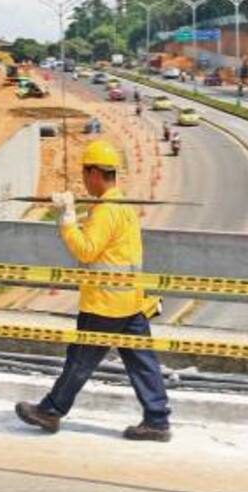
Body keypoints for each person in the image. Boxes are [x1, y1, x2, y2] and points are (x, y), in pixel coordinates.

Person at [15, 140, 171, 441]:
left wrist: (67, 218)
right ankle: (157, 420)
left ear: (96, 173)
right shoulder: (122, 206)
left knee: (80, 360)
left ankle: (50, 411)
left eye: (85, 173)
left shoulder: (106, 211)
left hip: (105, 304)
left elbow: (87, 250)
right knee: (142, 362)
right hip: (130, 301)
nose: (84, 180)